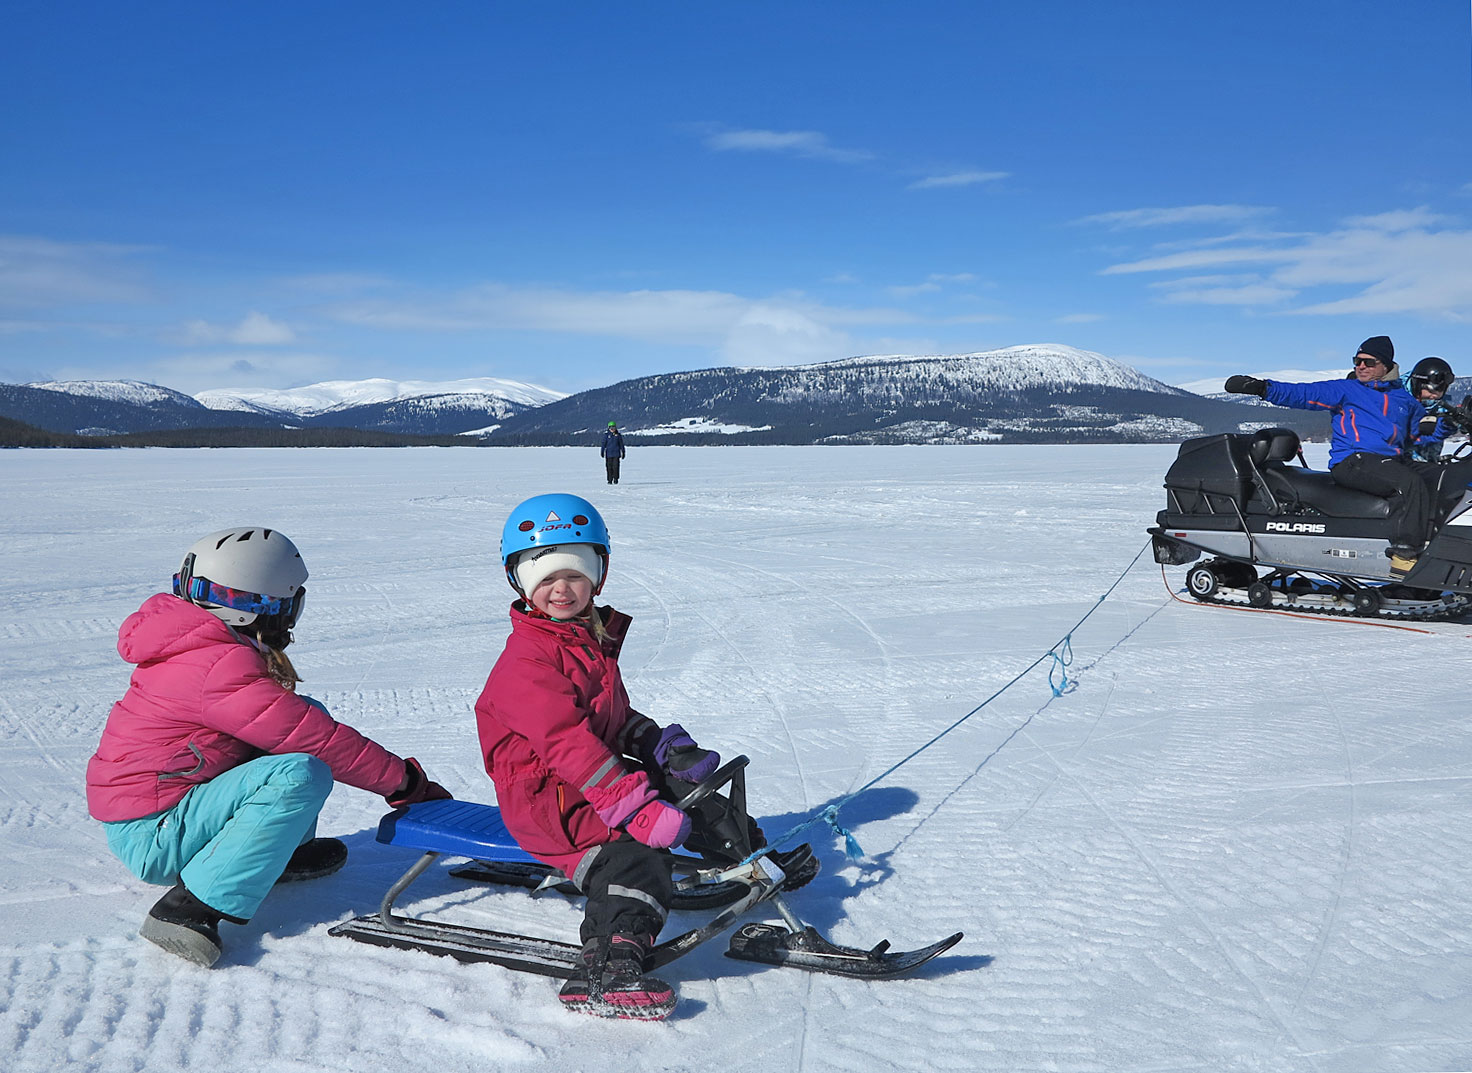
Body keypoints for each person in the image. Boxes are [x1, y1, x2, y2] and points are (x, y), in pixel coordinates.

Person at [87, 527, 451, 968]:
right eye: (289, 604)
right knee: (301, 771)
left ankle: (276, 854)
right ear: (260, 607)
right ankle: (189, 909)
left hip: (164, 813)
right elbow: (320, 740)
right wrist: (407, 783)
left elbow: (302, 726)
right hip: (156, 835)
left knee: (299, 725)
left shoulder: (198, 644)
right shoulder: (216, 666)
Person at [474, 493, 720, 1020]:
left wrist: (658, 746)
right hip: (547, 802)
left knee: (683, 792)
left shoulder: (587, 641)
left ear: (599, 574)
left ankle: (748, 857)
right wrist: (634, 811)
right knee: (635, 851)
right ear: (519, 581)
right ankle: (609, 961)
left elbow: (611, 719)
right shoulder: (525, 664)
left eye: (577, 570)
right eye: (543, 574)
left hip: (590, 782)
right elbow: (571, 744)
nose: (561, 588)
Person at [1225, 335, 1430, 574]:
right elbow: (1302, 393)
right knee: (1408, 483)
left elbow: (1422, 434)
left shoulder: (1402, 399)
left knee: (1441, 477)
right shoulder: (1347, 390)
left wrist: (1442, 425)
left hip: (1391, 460)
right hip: (1354, 461)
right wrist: (1263, 388)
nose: (1361, 366)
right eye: (1357, 361)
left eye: (1368, 362)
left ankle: (1439, 546)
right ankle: (1404, 557)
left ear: (1386, 365)